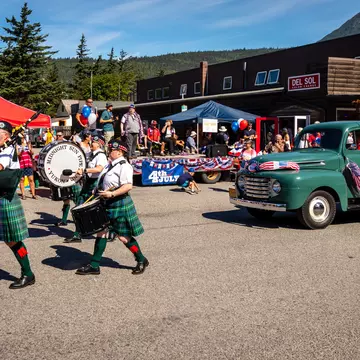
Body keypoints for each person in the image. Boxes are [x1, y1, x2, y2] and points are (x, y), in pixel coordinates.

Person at [75, 139, 149, 276]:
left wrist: (112, 193)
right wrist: (97, 190)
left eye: (111, 150)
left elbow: (128, 186)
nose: (109, 151)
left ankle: (141, 259)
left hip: (119, 203)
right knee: (101, 232)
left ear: (120, 152)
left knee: (123, 237)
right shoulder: (110, 165)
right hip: (106, 203)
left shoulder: (124, 166)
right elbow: (103, 180)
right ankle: (94, 265)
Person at [0, 121, 35, 289]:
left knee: (12, 240)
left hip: (5, 198)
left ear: (6, 136)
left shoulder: (7, 150)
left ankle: (28, 273)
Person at [64, 134, 108, 243]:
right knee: (79, 207)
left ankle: (110, 231)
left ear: (99, 144)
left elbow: (99, 169)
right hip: (88, 183)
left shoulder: (101, 155)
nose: (91, 142)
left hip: (96, 184)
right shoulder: (91, 154)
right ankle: (78, 234)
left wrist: (84, 171)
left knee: (100, 210)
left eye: (93, 141)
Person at [17, 135, 37, 200]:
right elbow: (17, 155)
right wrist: (21, 151)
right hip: (21, 164)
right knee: (22, 180)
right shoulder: (17, 145)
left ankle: (33, 194)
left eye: (22, 138)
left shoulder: (28, 144)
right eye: (20, 138)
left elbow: (32, 153)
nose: (22, 139)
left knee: (31, 179)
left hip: (28, 164)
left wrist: (29, 147)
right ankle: (23, 194)